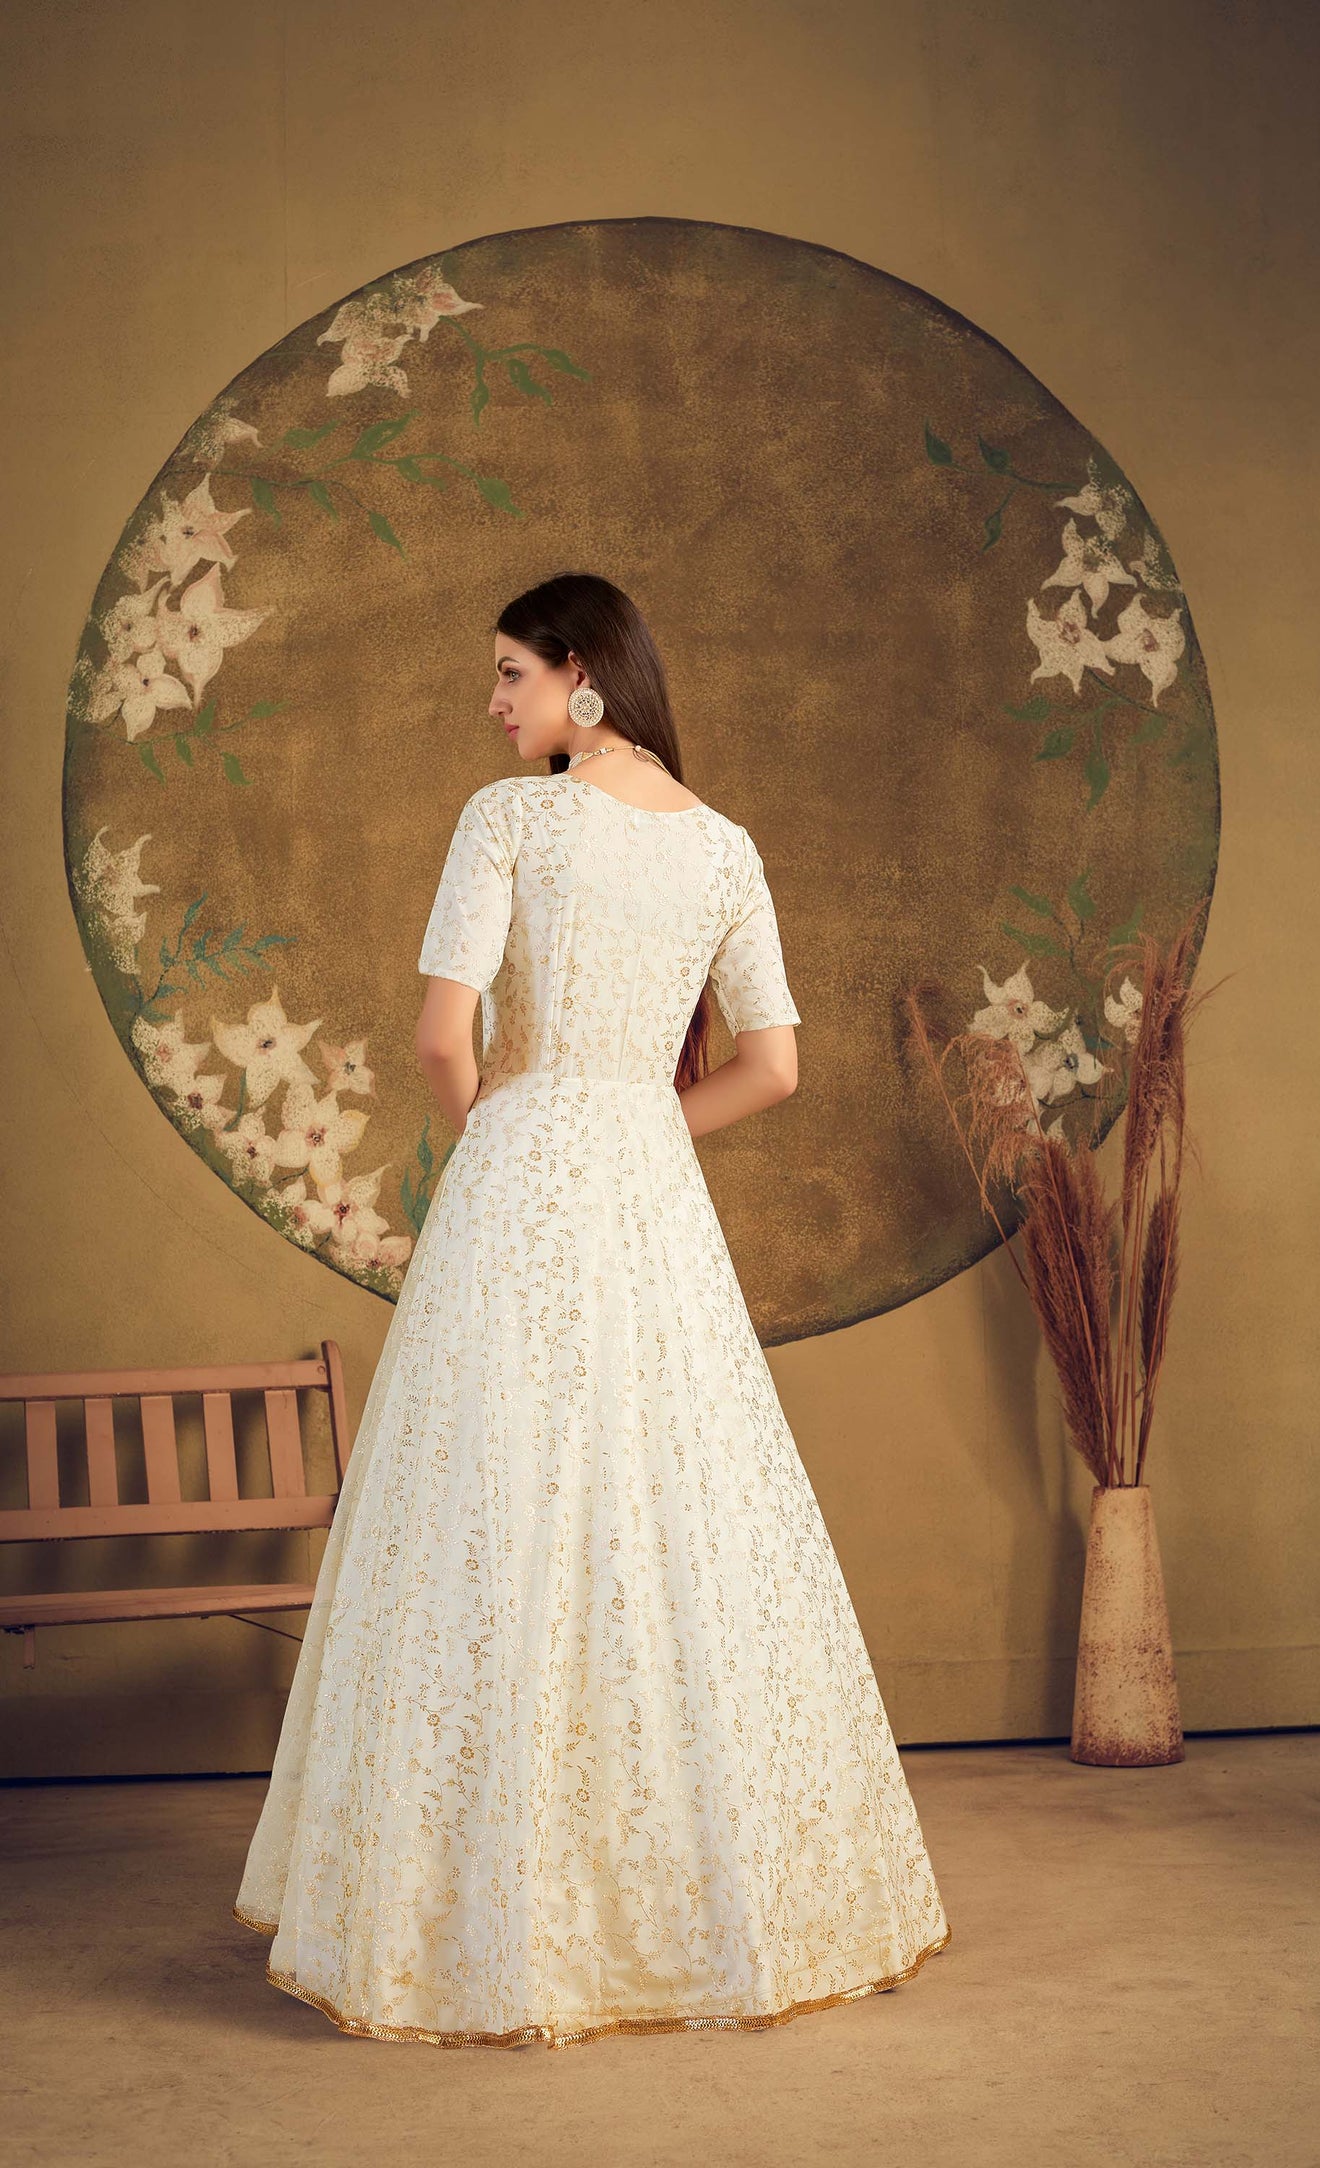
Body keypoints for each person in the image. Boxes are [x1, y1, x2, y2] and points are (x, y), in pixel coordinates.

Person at [232, 572, 951, 2049]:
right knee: (669, 1500)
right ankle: (700, 1904)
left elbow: (441, 1034)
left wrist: (500, 1128)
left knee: (485, 1500)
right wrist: (637, 1130)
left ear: (585, 675)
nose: (494, 702)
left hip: (522, 1175)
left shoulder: (511, 820)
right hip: (648, 1186)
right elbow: (775, 1066)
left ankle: (462, 1908)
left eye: (512, 673)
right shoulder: (725, 849)